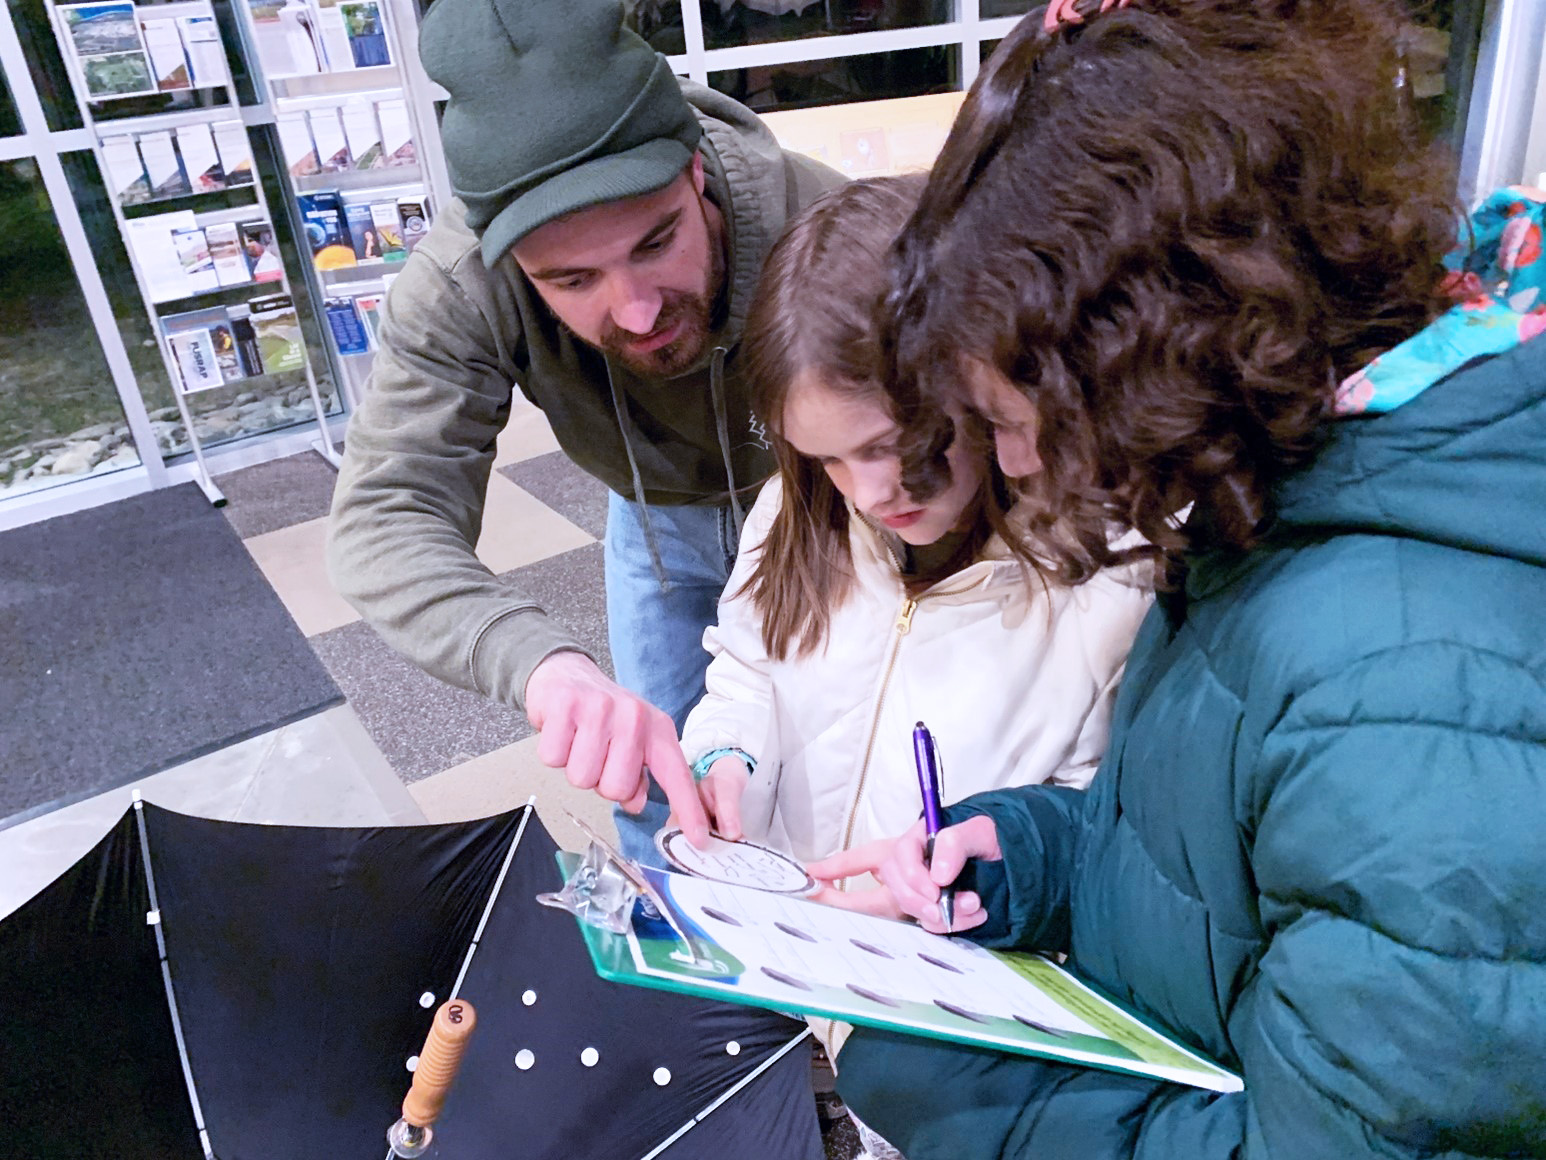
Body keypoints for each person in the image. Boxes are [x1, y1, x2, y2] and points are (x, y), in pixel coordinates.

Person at [816, 2, 1546, 1157]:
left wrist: (954, 1088)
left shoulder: (1407, 682)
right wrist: (1033, 855)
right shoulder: (1294, 491)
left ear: (1157, 349)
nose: (1011, 463)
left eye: (1016, 419)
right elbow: (1221, 863)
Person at [326, 0, 845, 854]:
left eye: (656, 242)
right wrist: (543, 666)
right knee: (651, 789)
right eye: (572, 281)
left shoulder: (820, 221)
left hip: (823, 509)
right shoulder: (462, 285)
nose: (636, 311)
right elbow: (385, 518)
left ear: (695, 174)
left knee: (830, 773)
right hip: (653, 521)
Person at [681, 177, 1151, 887]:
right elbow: (747, 671)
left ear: (975, 379)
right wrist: (727, 758)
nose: (867, 494)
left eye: (886, 445)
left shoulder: (1104, 581)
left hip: (941, 978)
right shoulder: (793, 511)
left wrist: (969, 882)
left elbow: (1090, 824)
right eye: (826, 458)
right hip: (788, 954)